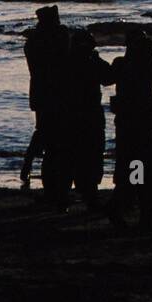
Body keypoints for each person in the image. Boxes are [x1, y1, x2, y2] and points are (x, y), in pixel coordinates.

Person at [108, 29, 152, 229]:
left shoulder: (123, 65)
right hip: (138, 131)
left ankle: (129, 209)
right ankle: (133, 212)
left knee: (135, 172)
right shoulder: (139, 68)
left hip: (130, 129)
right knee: (140, 172)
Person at [22, 5, 69, 197]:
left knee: (43, 130)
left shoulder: (33, 41)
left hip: (40, 91)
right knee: (52, 134)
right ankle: (50, 178)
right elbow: (64, 58)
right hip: (56, 92)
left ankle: (28, 163)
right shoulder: (56, 38)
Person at [63, 29, 113, 208]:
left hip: (74, 113)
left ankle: (74, 191)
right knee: (91, 153)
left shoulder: (68, 62)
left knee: (77, 153)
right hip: (88, 113)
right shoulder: (89, 62)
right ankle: (88, 192)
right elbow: (108, 77)